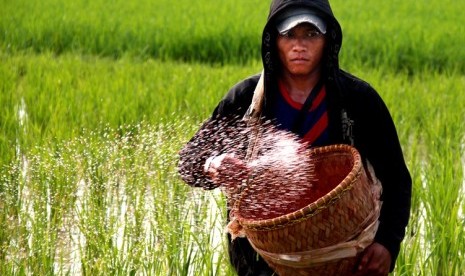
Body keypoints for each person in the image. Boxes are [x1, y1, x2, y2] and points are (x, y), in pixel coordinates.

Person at [178, 0, 412, 275]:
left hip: (344, 256)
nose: (299, 45)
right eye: (288, 34)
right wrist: (214, 165)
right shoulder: (246, 99)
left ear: (328, 39)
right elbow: (188, 163)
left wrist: (387, 243)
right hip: (260, 262)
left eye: (311, 34)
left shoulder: (358, 100)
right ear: (273, 39)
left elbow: (396, 178)